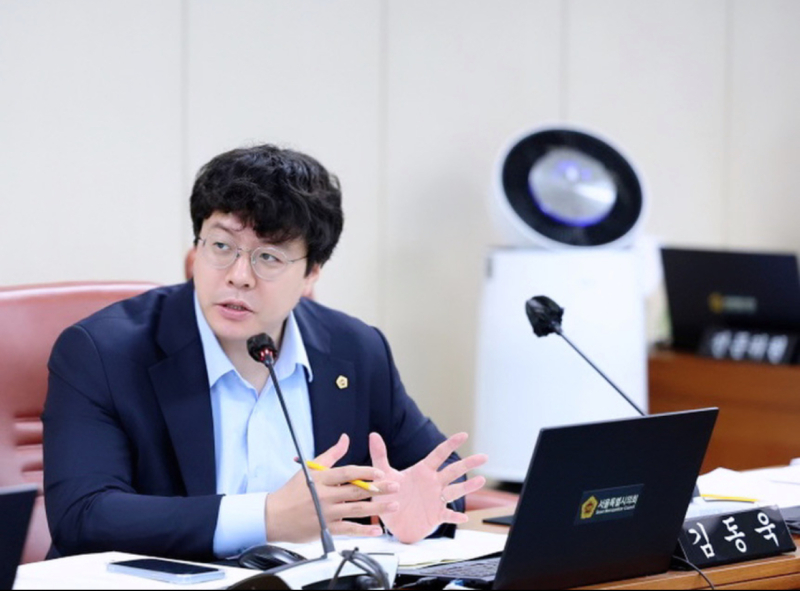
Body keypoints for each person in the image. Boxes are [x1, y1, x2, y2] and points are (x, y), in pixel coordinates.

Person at [42, 144, 488, 562]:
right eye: (222, 246)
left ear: (312, 273)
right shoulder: (103, 352)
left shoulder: (354, 349)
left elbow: (435, 474)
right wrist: (267, 517)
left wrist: (406, 511)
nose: (239, 275)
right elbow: (84, 516)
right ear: (196, 248)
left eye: (269, 257)